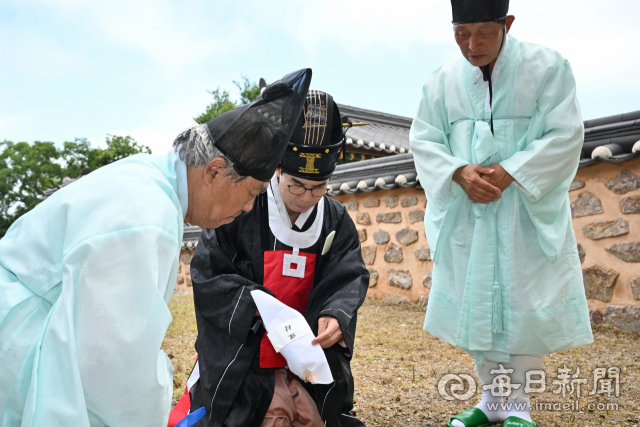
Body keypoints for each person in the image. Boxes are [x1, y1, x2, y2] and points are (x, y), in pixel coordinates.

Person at [0, 69, 311, 427]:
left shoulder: (149, 178)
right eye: (252, 193)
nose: (246, 208)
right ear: (214, 172)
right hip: (21, 343)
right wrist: (158, 390)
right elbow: (114, 368)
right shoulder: (149, 219)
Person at [409, 1, 593, 426]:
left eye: (483, 33)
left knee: (522, 298)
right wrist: (458, 172)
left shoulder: (548, 67)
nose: (471, 45)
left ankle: (520, 406)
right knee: (480, 303)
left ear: (506, 24)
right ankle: (491, 402)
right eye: (461, 33)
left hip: (522, 210)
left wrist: (512, 171)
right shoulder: (441, 82)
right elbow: (424, 139)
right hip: (470, 212)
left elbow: (566, 133)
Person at [179, 90, 369, 427]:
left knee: (316, 416)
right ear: (278, 168)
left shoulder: (336, 220)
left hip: (307, 352)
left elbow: (349, 274)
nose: (306, 197)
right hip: (247, 354)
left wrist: (336, 314)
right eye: (296, 185)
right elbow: (209, 272)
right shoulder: (243, 206)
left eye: (319, 187)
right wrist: (261, 307)